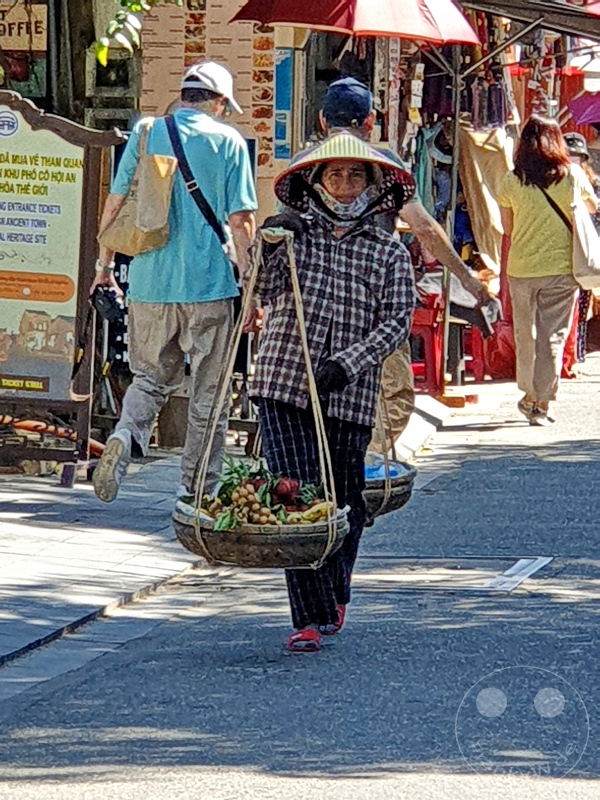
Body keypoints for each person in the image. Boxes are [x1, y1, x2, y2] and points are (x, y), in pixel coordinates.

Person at [251, 132, 417, 652]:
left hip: (348, 393)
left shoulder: (388, 250)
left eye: (355, 176)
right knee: (298, 498)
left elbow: (396, 322)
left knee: (345, 502)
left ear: (372, 185)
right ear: (316, 183)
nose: (344, 186)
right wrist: (269, 240)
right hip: (283, 381)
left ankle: (334, 591)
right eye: (334, 175)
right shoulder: (293, 235)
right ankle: (307, 616)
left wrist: (346, 366)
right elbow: (258, 291)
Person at [92, 61, 257, 503]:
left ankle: (126, 436)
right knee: (209, 394)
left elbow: (116, 204)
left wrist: (104, 267)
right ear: (219, 102)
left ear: (184, 95)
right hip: (209, 287)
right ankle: (198, 489)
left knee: (149, 379)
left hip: (148, 283)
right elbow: (241, 221)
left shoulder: (147, 131)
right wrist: (251, 285)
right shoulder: (229, 142)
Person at [320, 77, 492, 449]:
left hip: (316, 302)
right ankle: (363, 466)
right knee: (393, 396)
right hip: (375, 301)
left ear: (321, 120)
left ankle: (336, 470)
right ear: (370, 122)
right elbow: (425, 228)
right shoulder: (384, 165)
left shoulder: (307, 165)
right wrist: (468, 279)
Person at [499, 115, 597, 426]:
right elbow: (593, 206)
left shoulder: (511, 181)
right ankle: (543, 402)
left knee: (525, 335)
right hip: (562, 269)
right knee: (552, 336)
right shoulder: (572, 175)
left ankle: (529, 394)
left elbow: (507, 227)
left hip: (521, 268)